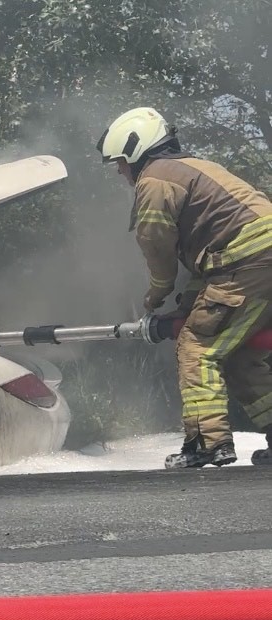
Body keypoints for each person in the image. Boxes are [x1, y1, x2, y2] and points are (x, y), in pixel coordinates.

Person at [97, 107, 272, 468]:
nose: (119, 172)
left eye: (119, 163)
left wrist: (156, 293)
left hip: (250, 266)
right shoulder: (194, 169)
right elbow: (209, 264)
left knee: (197, 349)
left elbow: (155, 242)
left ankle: (207, 443)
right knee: (239, 357)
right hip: (254, 265)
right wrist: (185, 306)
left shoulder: (155, 181)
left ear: (135, 150)